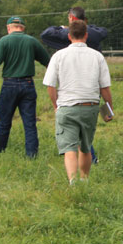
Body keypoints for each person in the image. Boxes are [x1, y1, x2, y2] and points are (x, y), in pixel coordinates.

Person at [0, 16, 51, 158]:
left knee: (4, 122)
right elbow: (49, 63)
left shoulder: (4, 41)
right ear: (23, 28)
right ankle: (32, 155)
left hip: (9, 85)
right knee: (30, 123)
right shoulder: (32, 41)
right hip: (28, 84)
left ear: (8, 28)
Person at [43, 21, 113, 184]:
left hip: (67, 107)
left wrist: (56, 106)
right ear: (86, 35)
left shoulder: (58, 56)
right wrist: (108, 111)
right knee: (86, 147)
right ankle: (85, 180)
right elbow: (105, 88)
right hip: (90, 107)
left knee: (69, 149)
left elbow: (51, 86)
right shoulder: (97, 56)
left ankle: (73, 183)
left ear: (69, 36)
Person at [40, 6, 108, 52]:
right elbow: (103, 31)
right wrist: (86, 26)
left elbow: (45, 34)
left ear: (71, 18)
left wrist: (62, 27)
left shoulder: (66, 33)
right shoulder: (95, 33)